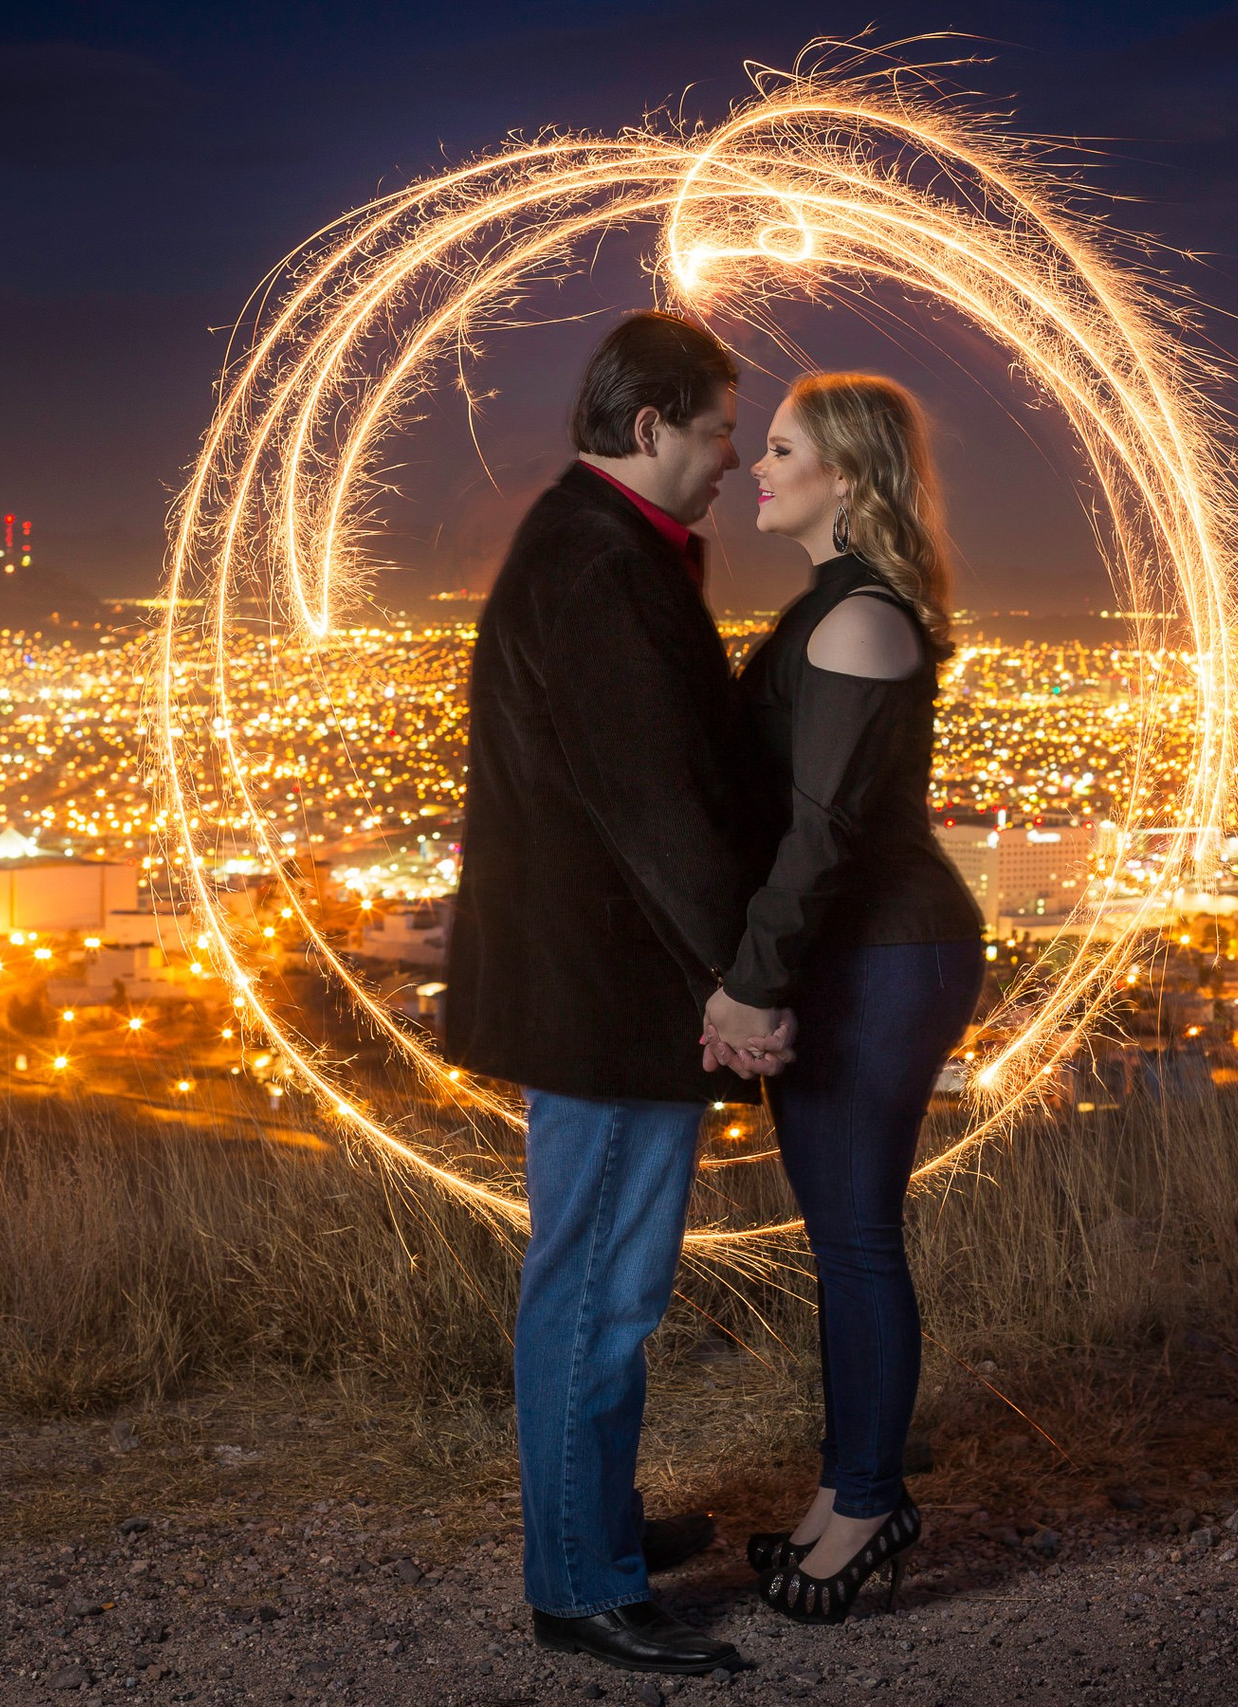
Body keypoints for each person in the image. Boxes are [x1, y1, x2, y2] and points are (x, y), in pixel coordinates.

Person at [443, 311, 789, 1677]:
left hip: (603, 984)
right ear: (649, 429)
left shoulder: (599, 547)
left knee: (603, 1279)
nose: (733, 458)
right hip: (605, 993)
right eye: (717, 431)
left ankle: (602, 1529)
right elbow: (660, 810)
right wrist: (748, 977)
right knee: (599, 1286)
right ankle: (581, 1579)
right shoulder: (599, 567)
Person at [701, 373, 986, 1624]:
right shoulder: (830, 608)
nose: (753, 467)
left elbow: (821, 836)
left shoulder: (860, 620)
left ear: (850, 475)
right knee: (839, 1238)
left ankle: (869, 1504)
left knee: (859, 1238)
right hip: (854, 954)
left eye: (780, 449)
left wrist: (753, 986)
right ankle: (844, 1491)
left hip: (882, 954)